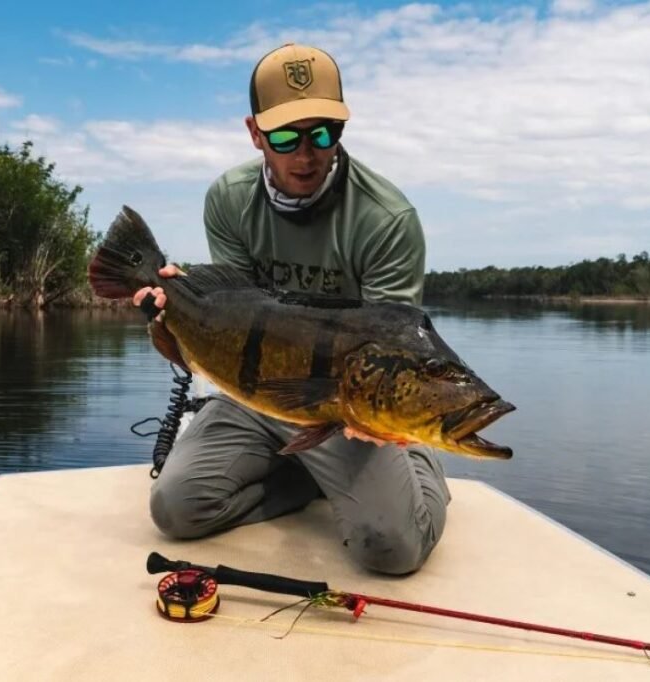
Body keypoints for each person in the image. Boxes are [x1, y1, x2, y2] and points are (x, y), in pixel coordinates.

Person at [134, 44, 451, 575]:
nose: (305, 155)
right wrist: (173, 322)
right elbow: (235, 322)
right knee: (176, 509)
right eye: (284, 136)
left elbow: (395, 351)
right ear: (255, 132)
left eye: (322, 133)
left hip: (345, 404)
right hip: (261, 391)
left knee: (390, 548)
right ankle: (304, 477)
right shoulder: (229, 200)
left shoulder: (387, 220)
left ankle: (420, 467)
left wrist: (371, 423)